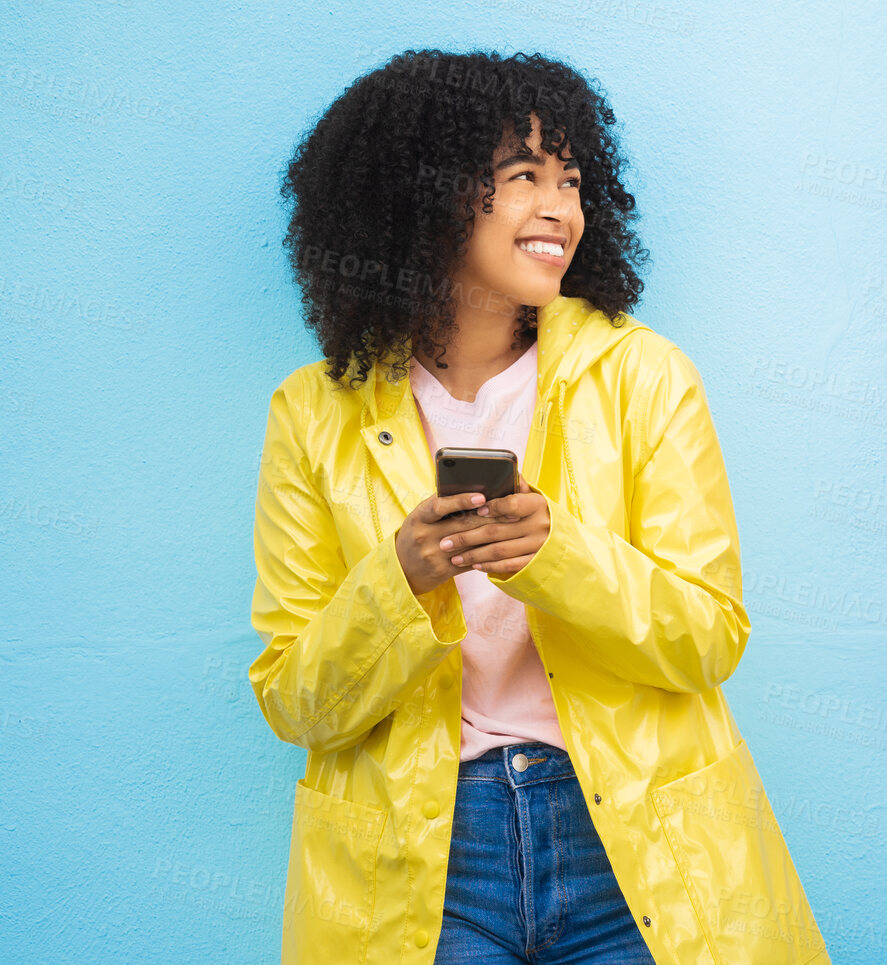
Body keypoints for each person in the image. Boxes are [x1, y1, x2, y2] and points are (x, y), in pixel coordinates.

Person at [250, 50, 827, 964]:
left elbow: (709, 636)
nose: (560, 207)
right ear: (421, 194)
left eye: (571, 179)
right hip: (427, 851)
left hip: (631, 832)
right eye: (522, 176)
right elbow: (295, 701)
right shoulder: (313, 411)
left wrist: (555, 554)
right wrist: (399, 582)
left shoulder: (646, 376)